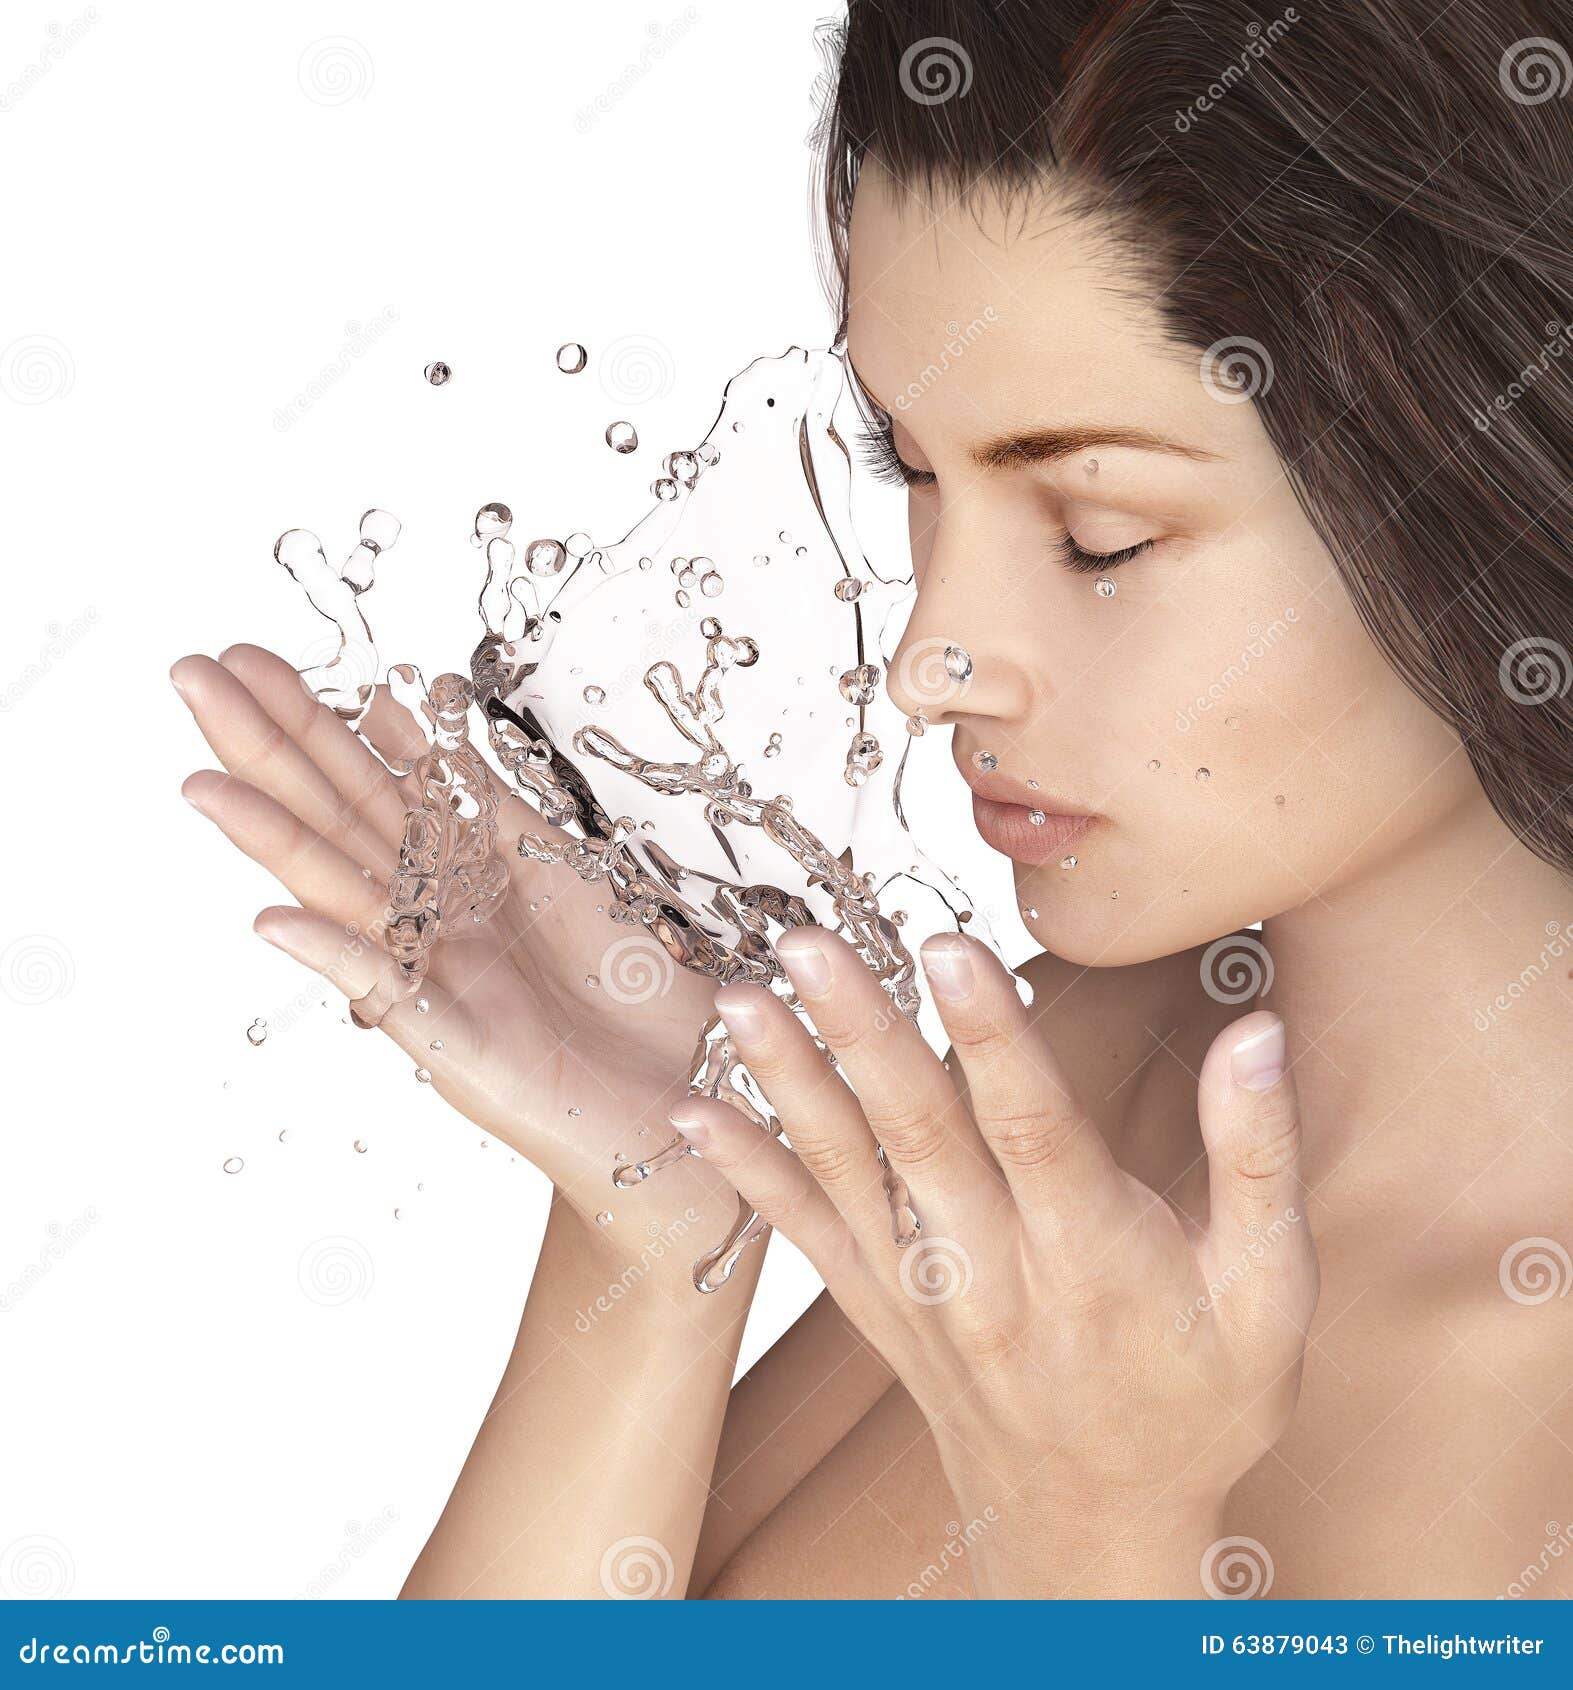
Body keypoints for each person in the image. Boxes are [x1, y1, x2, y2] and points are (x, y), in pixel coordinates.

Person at [174, 0, 1572, 1598]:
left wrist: (1091, 1538)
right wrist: (651, 1253)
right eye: (910, 467)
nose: (930, 659)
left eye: (1100, 533)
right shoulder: (1078, 1097)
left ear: (1485, 467)